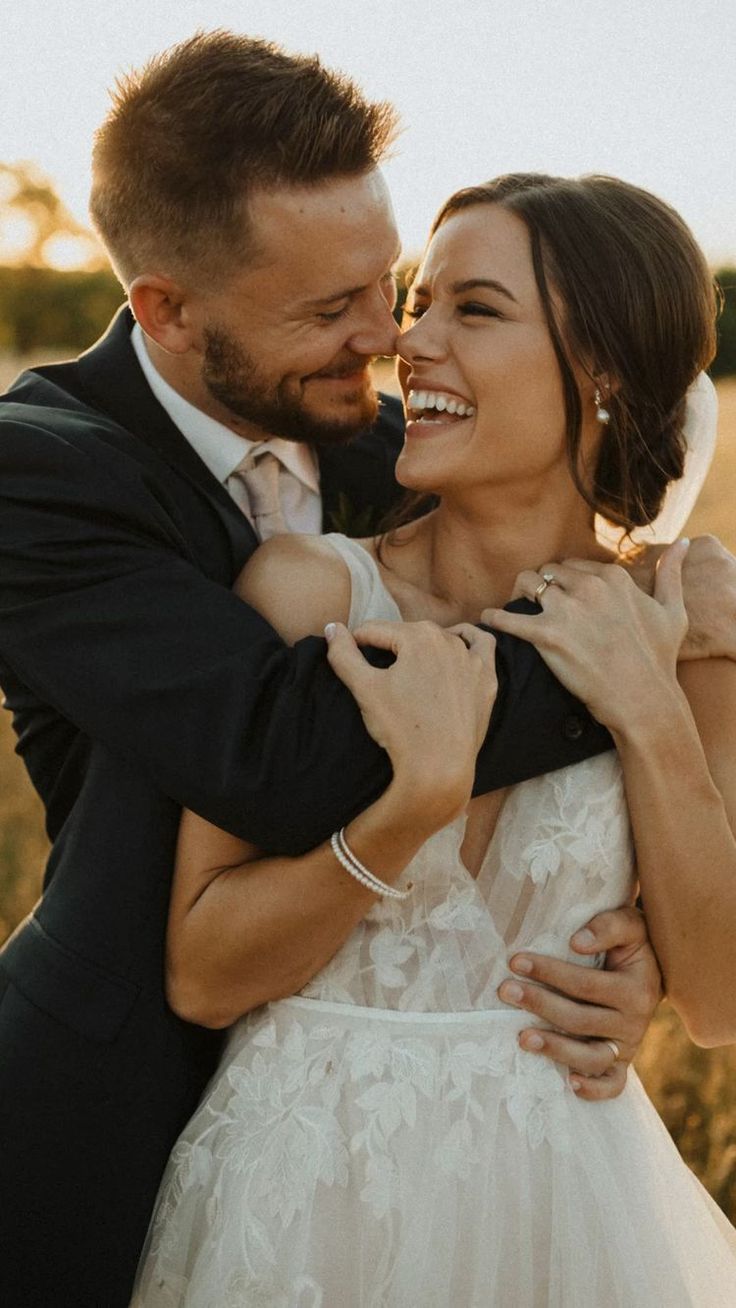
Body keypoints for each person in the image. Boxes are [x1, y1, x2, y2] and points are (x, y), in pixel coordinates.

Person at [0, 33, 701, 1308]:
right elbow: (283, 753)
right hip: (144, 1115)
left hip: (528, 1169)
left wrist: (641, 939)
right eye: (332, 312)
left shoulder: (406, 440)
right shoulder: (40, 472)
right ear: (167, 308)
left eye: (395, 290)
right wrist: (636, 647)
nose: (387, 341)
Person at [132, 174, 736, 1306]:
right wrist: (404, 805)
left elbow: (721, 998)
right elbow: (204, 973)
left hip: (565, 1215)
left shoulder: (689, 616)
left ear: (599, 368)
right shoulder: (313, 595)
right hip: (301, 1202)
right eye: (422, 300)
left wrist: (649, 711)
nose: (412, 339)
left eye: (477, 309)